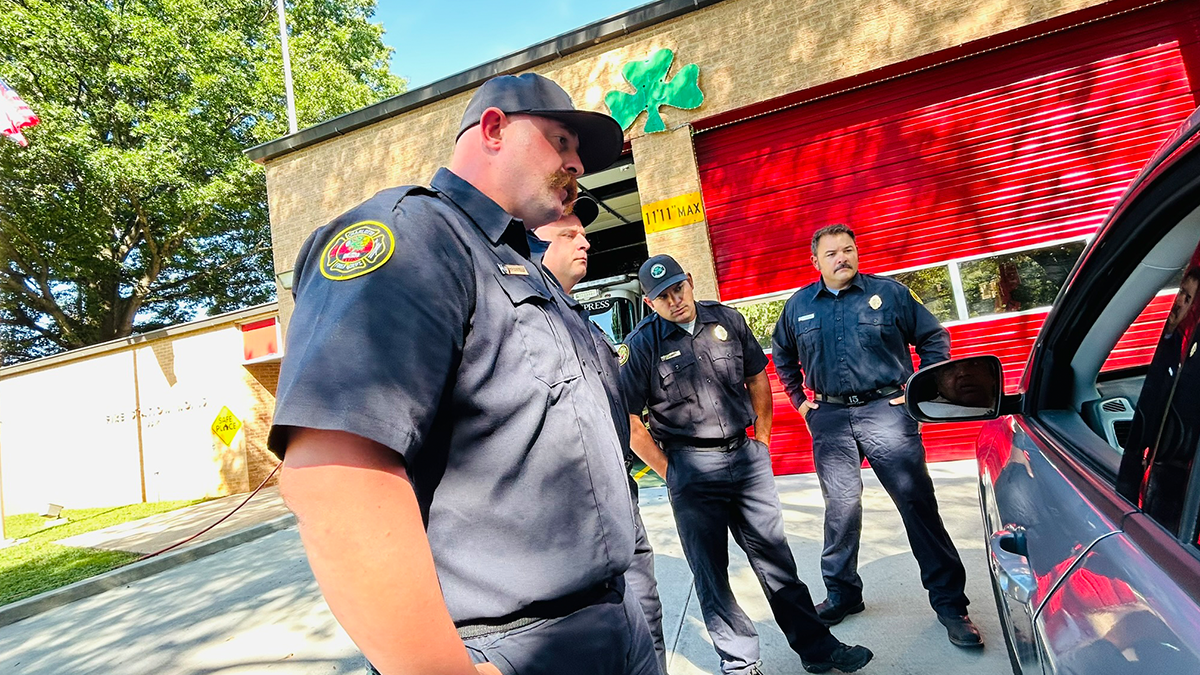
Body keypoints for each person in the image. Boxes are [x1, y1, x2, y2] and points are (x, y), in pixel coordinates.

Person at [268, 73, 660, 675]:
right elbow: (333, 476)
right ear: (494, 129)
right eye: (561, 141)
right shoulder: (415, 238)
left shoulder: (526, 272)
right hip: (507, 645)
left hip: (613, 618)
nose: (578, 163)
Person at [619, 254, 873, 675]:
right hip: (692, 470)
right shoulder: (642, 344)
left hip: (745, 458)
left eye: (678, 288)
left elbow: (757, 377)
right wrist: (672, 472)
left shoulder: (727, 321)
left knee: (778, 562)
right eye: (662, 296)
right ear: (649, 303)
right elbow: (629, 421)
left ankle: (817, 649)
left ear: (691, 280)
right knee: (712, 574)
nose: (674, 299)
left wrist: (764, 440)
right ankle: (739, 662)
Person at [771, 223, 983, 649]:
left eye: (848, 250)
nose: (842, 258)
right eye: (831, 253)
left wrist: (918, 391)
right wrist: (801, 404)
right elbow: (782, 356)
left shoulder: (891, 295)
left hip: (887, 413)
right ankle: (843, 594)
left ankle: (950, 605)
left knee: (917, 506)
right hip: (829, 417)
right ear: (816, 262)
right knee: (841, 511)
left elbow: (933, 338)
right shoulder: (798, 307)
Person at [532, 197, 668, 674]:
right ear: (531, 245)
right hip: (567, 522)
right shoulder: (522, 323)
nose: (585, 241)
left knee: (645, 622)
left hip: (621, 505)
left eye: (582, 233)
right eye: (567, 235)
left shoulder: (581, 322)